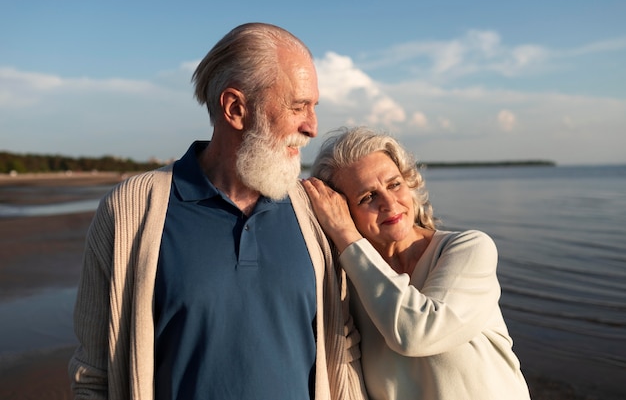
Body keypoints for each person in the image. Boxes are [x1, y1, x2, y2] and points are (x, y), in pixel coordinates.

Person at [68, 23, 368, 400]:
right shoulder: (130, 210)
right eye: (297, 107)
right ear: (236, 108)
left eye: (313, 107)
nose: (312, 126)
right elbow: (94, 375)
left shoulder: (318, 212)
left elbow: (345, 355)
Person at [302, 126, 531, 400]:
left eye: (394, 184)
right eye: (368, 197)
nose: (389, 203)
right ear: (341, 210)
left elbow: (416, 332)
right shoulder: (348, 286)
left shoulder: (467, 249)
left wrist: (346, 235)